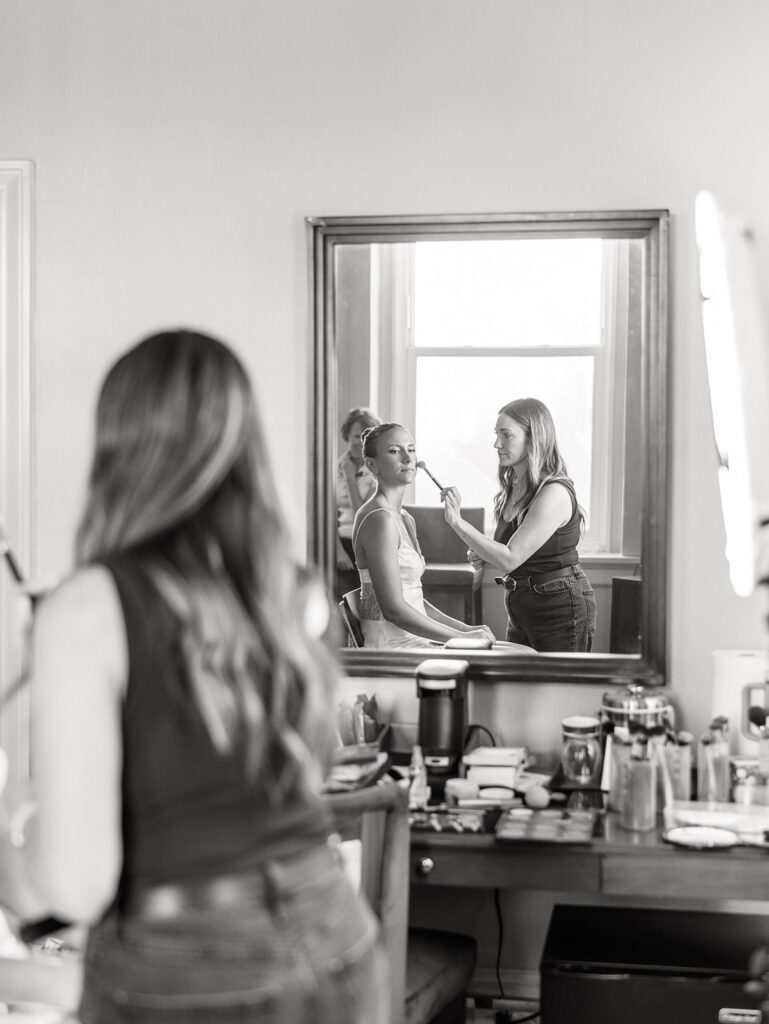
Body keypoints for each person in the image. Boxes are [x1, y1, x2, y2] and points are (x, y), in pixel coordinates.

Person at [2, 330, 388, 1022]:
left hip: (188, 972)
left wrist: (14, 712)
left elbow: (73, 888)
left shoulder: (88, 607)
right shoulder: (289, 589)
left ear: (119, 445)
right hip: (337, 942)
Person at [440, 398, 596, 652]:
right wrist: (483, 554)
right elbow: (512, 550)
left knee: (555, 690)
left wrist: (457, 522)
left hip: (559, 604)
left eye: (506, 435)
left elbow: (510, 558)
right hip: (521, 603)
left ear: (534, 439)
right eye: (496, 434)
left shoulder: (553, 491)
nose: (496, 444)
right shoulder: (514, 485)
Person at [352, 422, 496, 648]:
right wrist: (461, 638)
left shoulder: (405, 519)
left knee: (517, 653)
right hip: (392, 649)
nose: (408, 459)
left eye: (411, 449)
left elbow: (414, 601)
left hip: (416, 642)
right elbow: (393, 610)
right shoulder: (379, 520)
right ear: (372, 464)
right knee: (513, 657)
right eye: (394, 451)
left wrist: (465, 629)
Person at [337, 407, 381, 569]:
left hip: (368, 544)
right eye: (357, 436)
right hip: (340, 544)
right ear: (347, 436)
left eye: (366, 437)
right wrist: (337, 551)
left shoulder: (378, 470)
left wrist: (350, 478)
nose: (361, 442)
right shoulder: (334, 467)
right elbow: (326, 516)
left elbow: (362, 517)